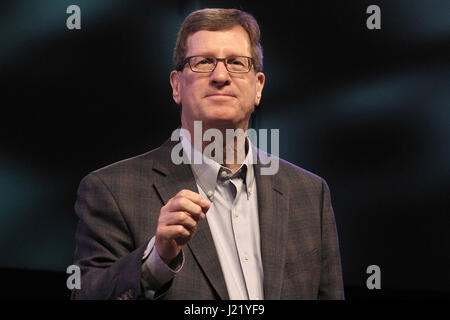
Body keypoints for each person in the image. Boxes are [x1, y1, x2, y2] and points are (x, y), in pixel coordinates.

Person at [71, 8, 344, 300]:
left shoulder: (309, 193)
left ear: (258, 87)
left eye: (237, 63)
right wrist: (156, 260)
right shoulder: (111, 190)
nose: (221, 76)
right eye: (204, 62)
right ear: (177, 85)